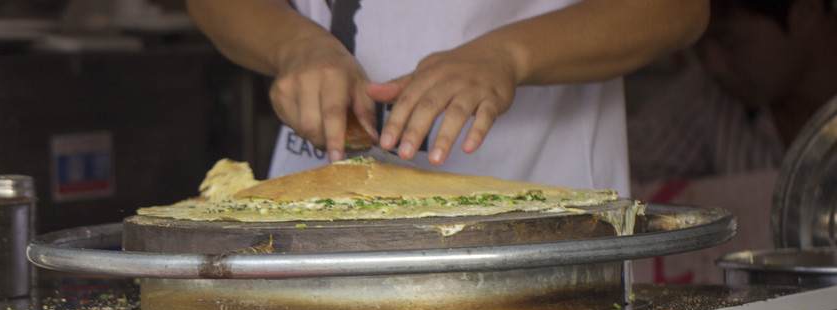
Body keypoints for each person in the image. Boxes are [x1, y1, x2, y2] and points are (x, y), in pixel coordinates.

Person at [185, 0, 709, 195]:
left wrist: (510, 56)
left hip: (544, 231)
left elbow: (678, 10)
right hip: (316, 226)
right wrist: (294, 45)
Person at [628, 0, 837, 182]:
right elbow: (627, 170)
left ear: (806, 10)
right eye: (697, 42)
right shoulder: (706, 97)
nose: (713, 65)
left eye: (729, 41)